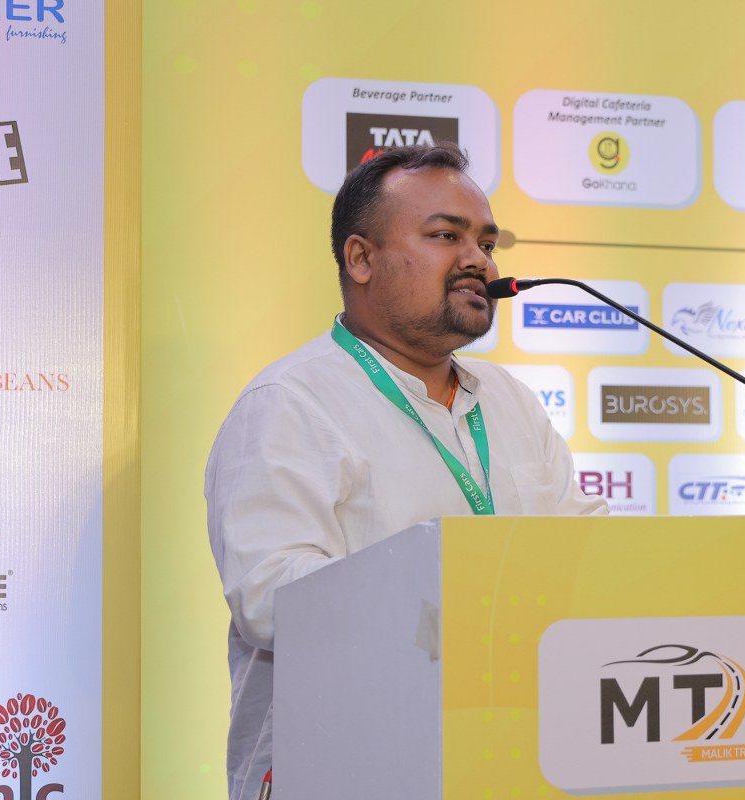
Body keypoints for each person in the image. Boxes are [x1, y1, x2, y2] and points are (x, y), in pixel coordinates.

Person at [204, 143, 607, 800]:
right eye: (447, 236)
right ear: (360, 258)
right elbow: (273, 602)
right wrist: (470, 607)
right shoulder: (289, 405)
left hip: (512, 760)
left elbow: (588, 552)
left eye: (486, 243)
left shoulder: (510, 400)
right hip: (348, 770)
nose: (479, 261)